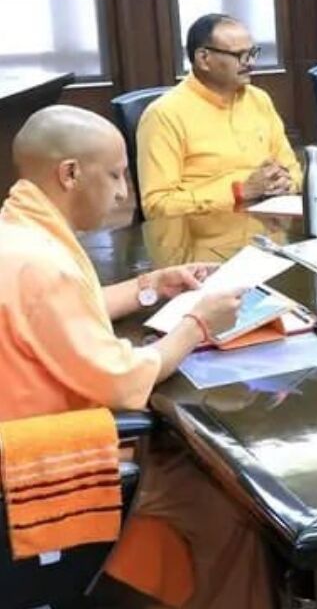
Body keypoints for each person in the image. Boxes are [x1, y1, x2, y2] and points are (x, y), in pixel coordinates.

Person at [0, 105, 274, 609]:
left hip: (22, 440)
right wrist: (198, 323)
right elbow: (124, 381)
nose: (124, 193)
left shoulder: (17, 232)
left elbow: (64, 312)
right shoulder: (42, 263)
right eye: (115, 175)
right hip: (43, 461)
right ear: (70, 174)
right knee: (231, 505)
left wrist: (151, 286)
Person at [137, 13, 301, 220]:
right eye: (240, 55)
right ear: (204, 59)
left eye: (253, 53)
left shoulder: (259, 100)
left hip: (269, 227)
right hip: (203, 232)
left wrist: (287, 184)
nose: (251, 63)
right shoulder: (164, 115)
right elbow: (157, 206)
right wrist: (239, 192)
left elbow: (293, 170)